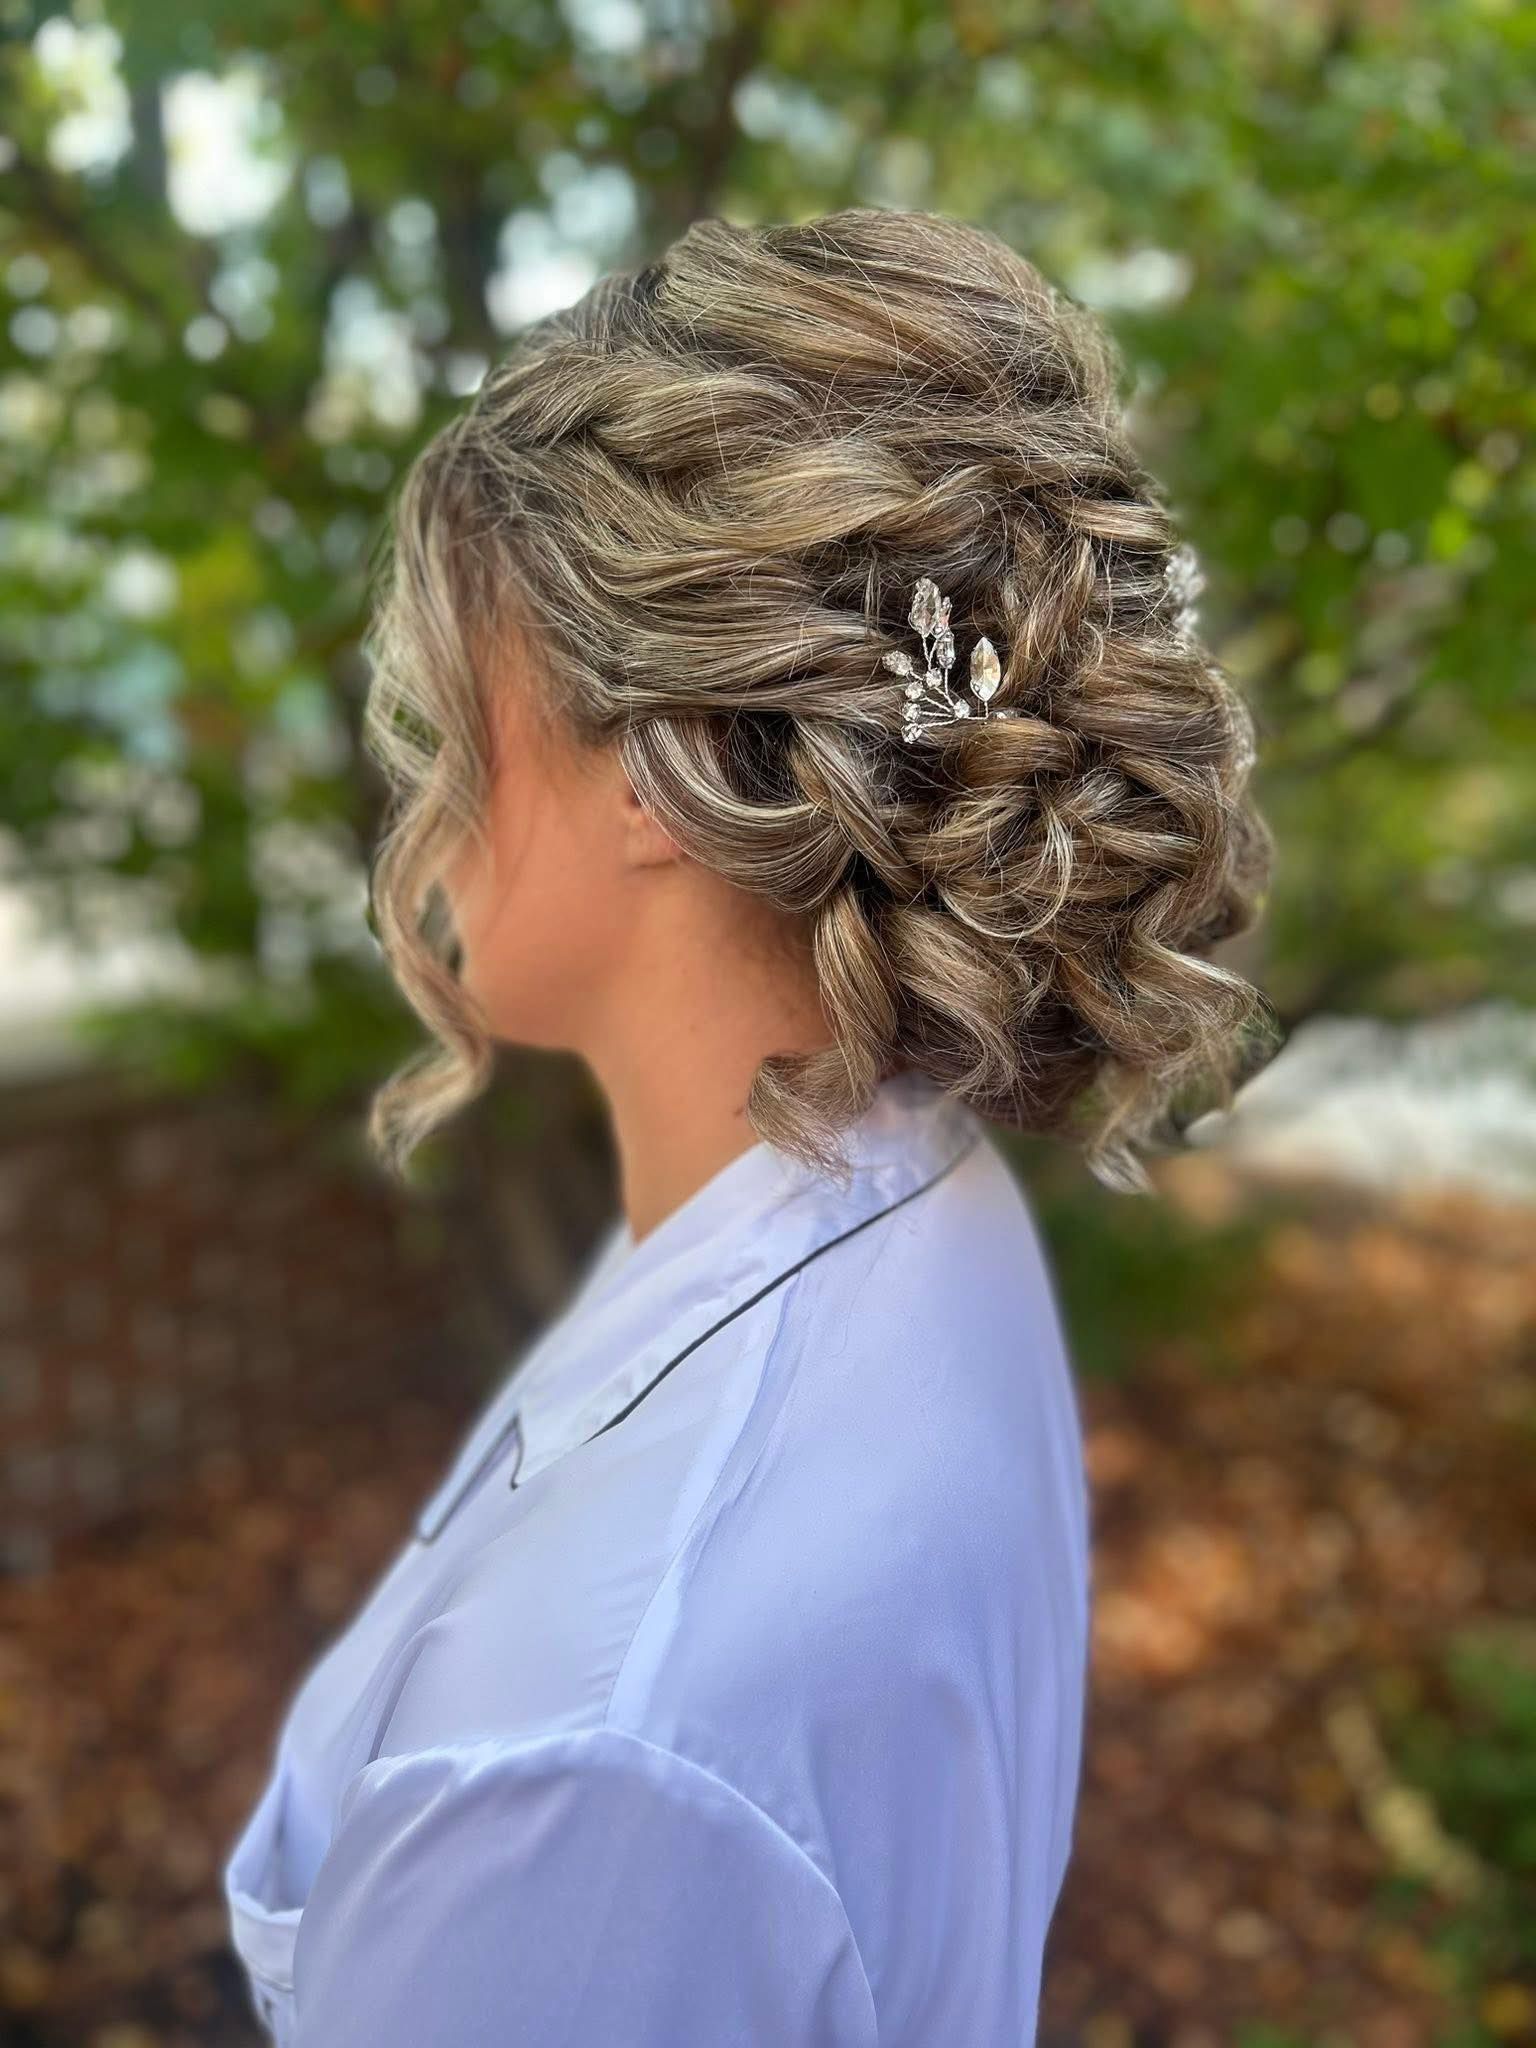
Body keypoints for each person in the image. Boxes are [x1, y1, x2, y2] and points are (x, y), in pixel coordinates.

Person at [221, 205, 1273, 2046]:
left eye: (451, 697)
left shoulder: (590, 1763)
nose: (421, 782)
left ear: (655, 759)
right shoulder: (896, 1183)